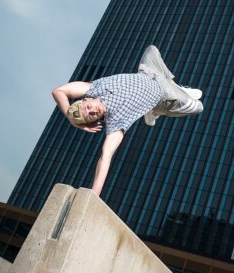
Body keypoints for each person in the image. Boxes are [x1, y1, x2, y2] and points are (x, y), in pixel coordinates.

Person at [52, 45, 203, 197]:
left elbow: (58, 91)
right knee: (198, 107)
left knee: (152, 50)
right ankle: (157, 110)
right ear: (95, 119)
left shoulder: (94, 88)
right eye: (91, 115)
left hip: (149, 73)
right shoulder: (115, 122)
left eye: (89, 107)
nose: (93, 111)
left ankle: (178, 89)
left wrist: (71, 119)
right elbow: (105, 157)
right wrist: (93, 195)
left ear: (88, 99)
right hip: (164, 95)